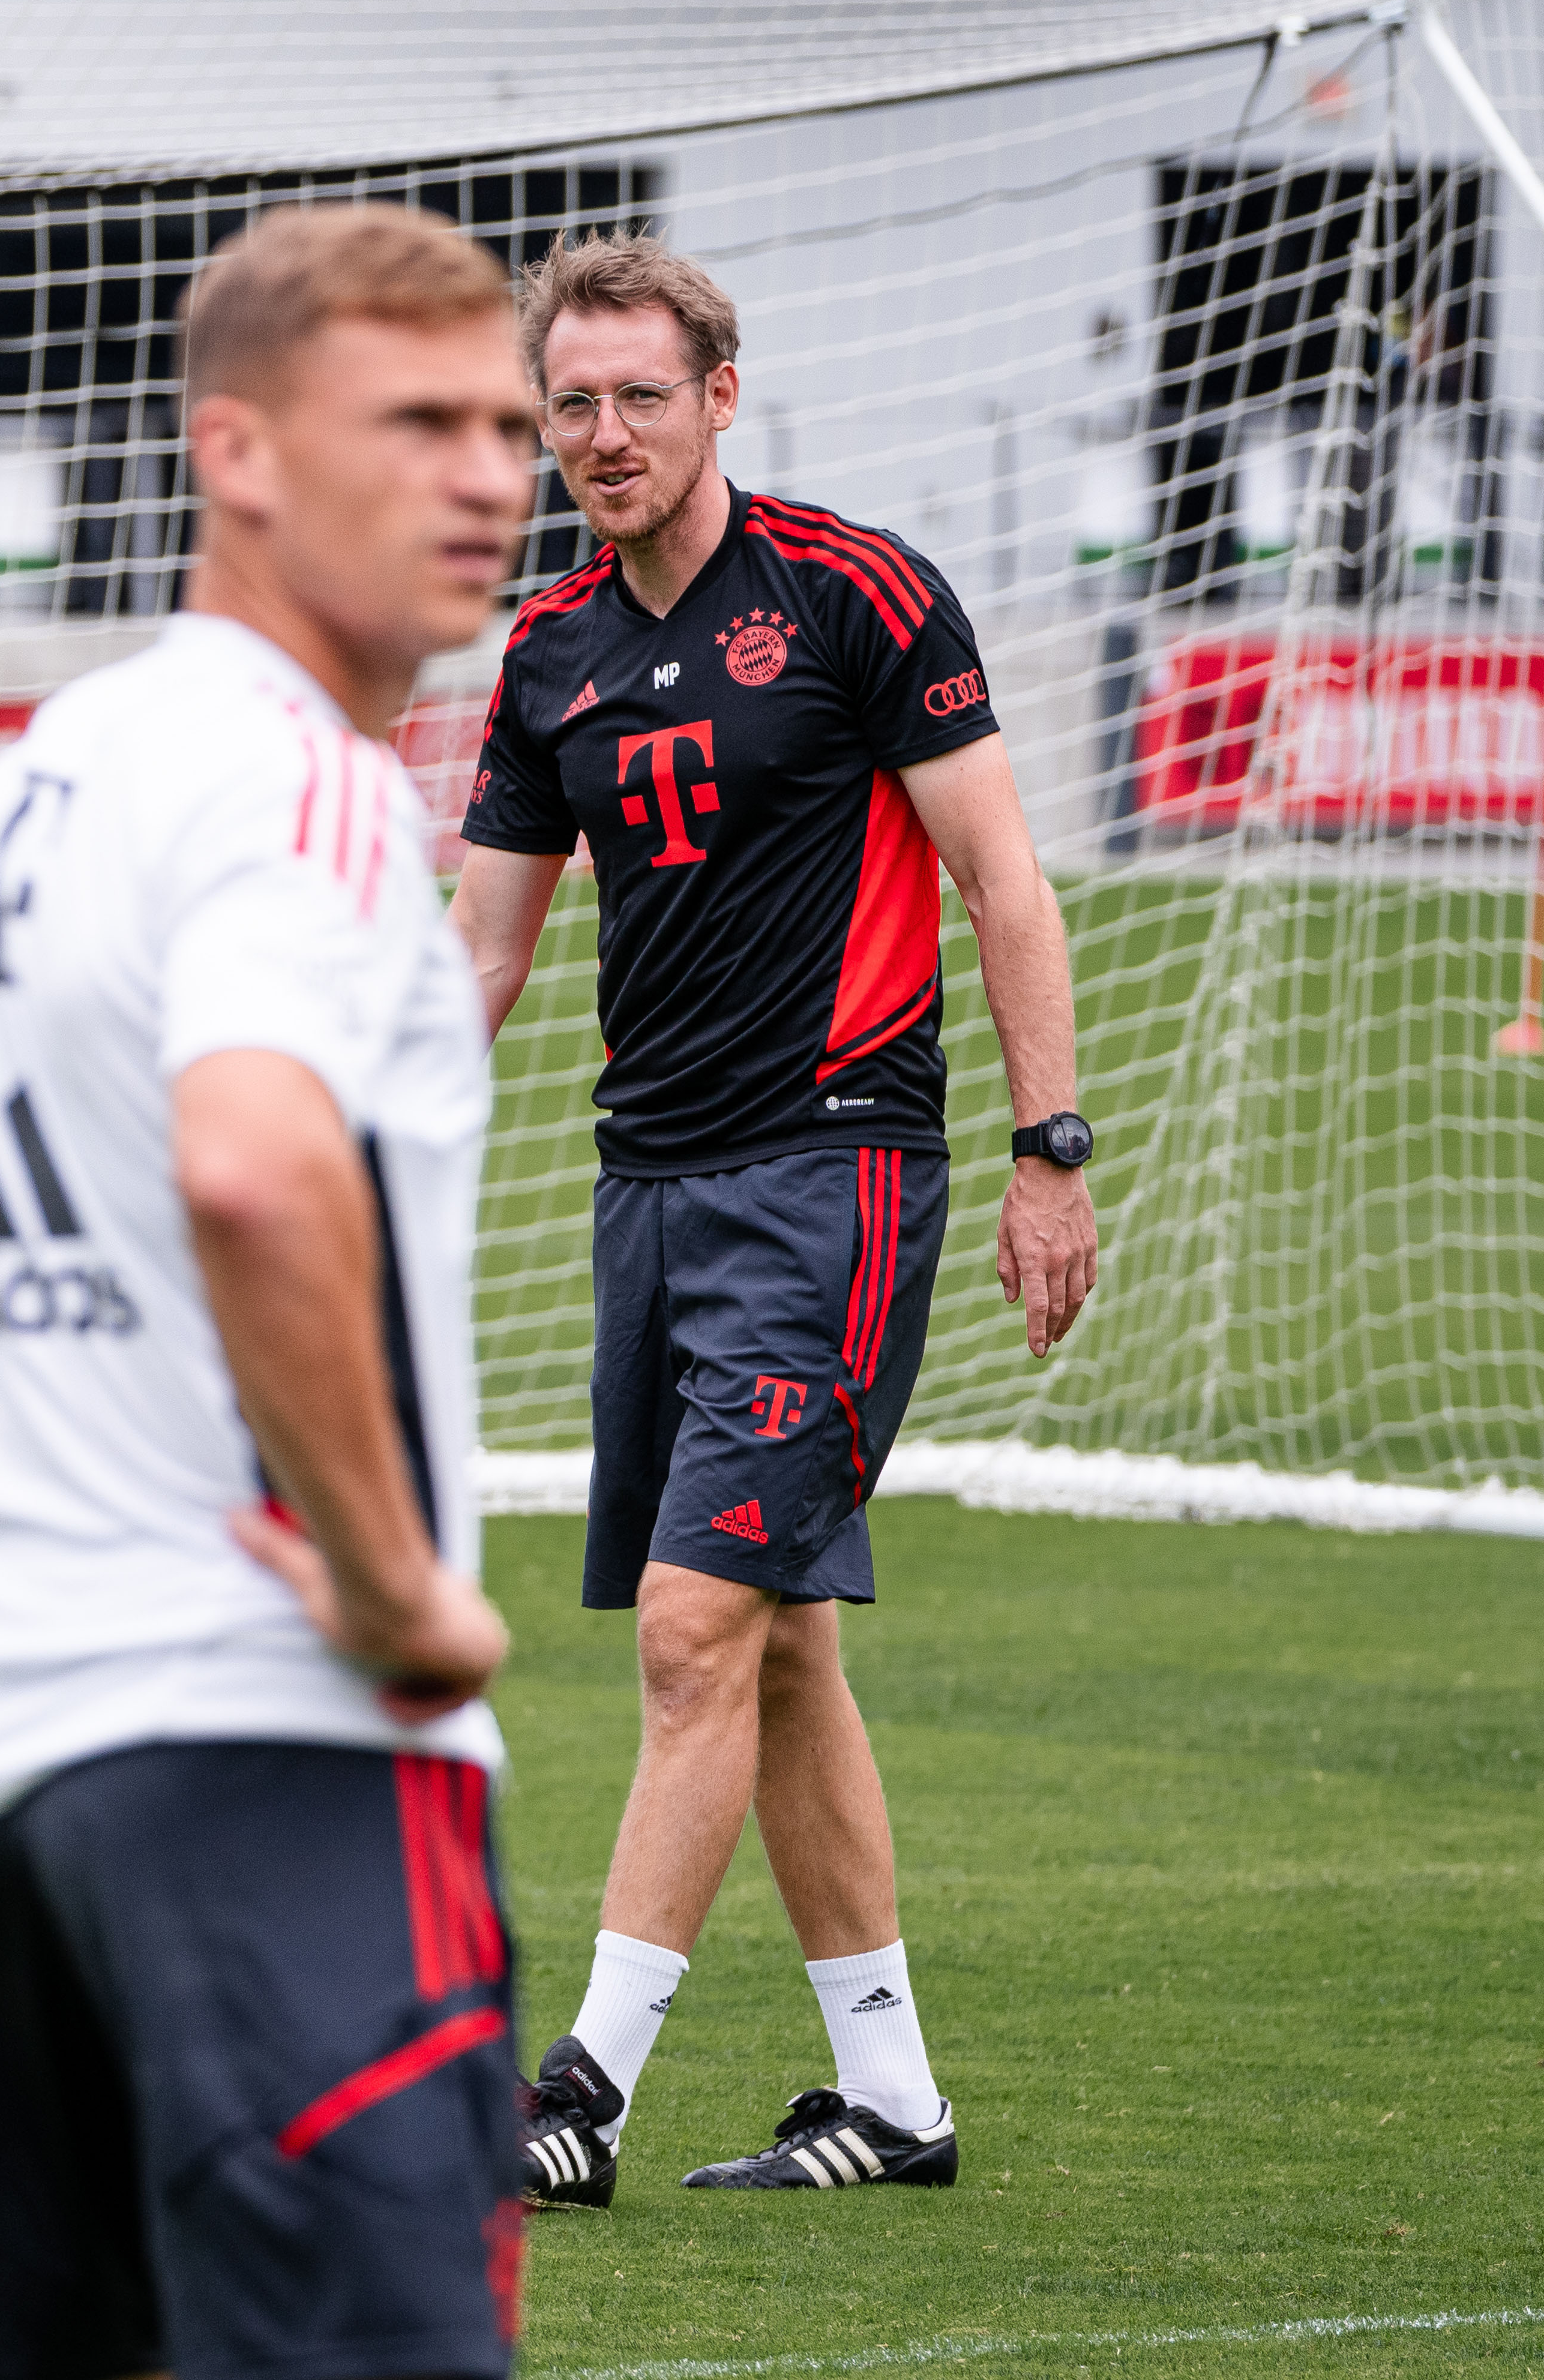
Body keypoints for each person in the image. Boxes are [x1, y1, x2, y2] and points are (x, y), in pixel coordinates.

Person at [0, 202, 533, 2380]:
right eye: (415, 418)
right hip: (272, 1751)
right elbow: (249, 1166)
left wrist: (6, 1549)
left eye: (506, 423)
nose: (484, 474)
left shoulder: (61, 769)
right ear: (234, 450)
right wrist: (393, 1592)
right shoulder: (310, 791)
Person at [452, 235, 1097, 2203]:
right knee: (786, 1643)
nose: (605, 432)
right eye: (573, 401)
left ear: (721, 395)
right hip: (647, 1189)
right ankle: (890, 2097)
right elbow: (468, 964)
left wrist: (1048, 1145)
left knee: (692, 1625)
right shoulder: (546, 650)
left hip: (837, 1178)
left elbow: (1000, 875)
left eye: (643, 394)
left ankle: (578, 2091)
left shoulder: (854, 591)